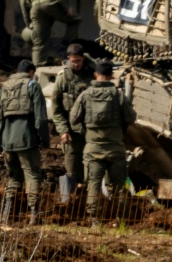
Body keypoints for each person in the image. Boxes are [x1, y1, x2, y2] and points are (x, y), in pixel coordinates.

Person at [69, 59, 136, 226]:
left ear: (95, 75)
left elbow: (73, 119)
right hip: (115, 148)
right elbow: (130, 117)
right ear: (112, 76)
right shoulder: (118, 95)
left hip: (93, 148)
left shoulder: (85, 95)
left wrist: (85, 132)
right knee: (119, 186)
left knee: (93, 184)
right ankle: (122, 220)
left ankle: (94, 220)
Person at [0, 60, 50, 225]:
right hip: (27, 140)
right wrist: (44, 140)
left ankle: (6, 214)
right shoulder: (33, 86)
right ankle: (34, 214)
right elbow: (40, 117)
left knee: (13, 176)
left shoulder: (4, 88)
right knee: (32, 174)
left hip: (7, 141)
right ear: (31, 72)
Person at [51, 43, 96, 195]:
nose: (76, 64)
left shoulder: (93, 75)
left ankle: (88, 198)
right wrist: (63, 130)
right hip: (70, 131)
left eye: (79, 61)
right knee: (71, 168)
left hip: (90, 129)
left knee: (91, 167)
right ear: (68, 59)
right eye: (73, 61)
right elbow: (56, 108)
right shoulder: (63, 78)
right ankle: (67, 200)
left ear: (83, 58)